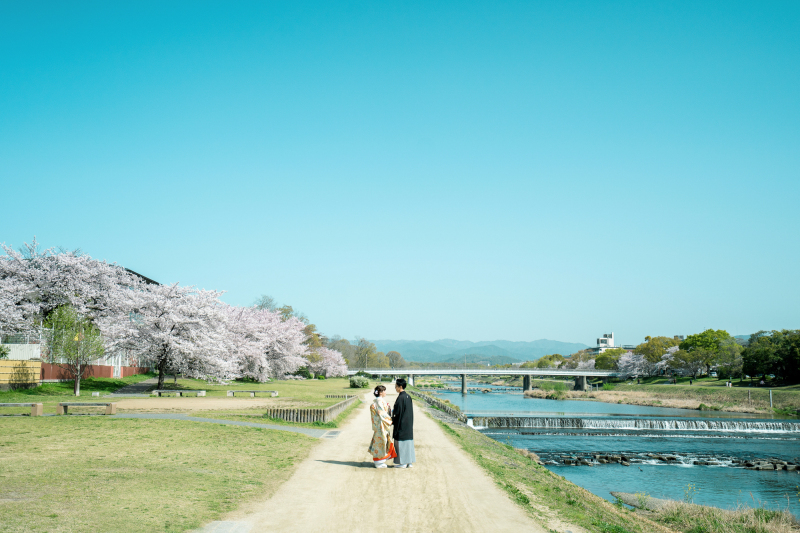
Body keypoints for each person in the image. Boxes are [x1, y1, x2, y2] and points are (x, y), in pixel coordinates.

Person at [368, 385, 395, 468]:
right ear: (380, 392)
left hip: (379, 425)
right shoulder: (379, 401)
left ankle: (379, 461)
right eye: (384, 391)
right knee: (382, 442)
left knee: (380, 442)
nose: (385, 392)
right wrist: (390, 420)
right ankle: (379, 462)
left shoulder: (378, 401)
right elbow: (381, 413)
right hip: (381, 425)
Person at [392, 378, 415, 469]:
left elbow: (398, 412)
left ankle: (403, 463)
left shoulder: (400, 398)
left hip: (401, 424)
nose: (395, 388)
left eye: (396, 386)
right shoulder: (408, 396)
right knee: (409, 443)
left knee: (401, 443)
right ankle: (409, 462)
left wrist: (392, 419)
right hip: (408, 424)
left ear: (400, 387)